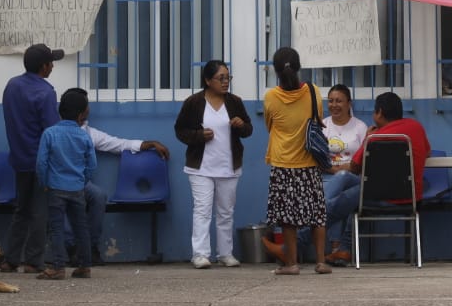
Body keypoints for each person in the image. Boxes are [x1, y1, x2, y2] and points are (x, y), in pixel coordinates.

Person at [327, 90, 433, 260]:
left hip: (378, 197)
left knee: (337, 205)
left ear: (380, 113)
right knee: (352, 194)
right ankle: (344, 249)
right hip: (411, 198)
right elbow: (427, 153)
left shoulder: (374, 138)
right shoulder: (416, 128)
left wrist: (367, 137)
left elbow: (354, 167)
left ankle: (296, 242)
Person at [173, 59, 252, 268]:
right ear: (208, 80)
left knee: (226, 211)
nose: (226, 82)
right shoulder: (194, 103)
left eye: (228, 77)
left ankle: (225, 253)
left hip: (228, 165)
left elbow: (248, 130)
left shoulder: (235, 102)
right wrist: (199, 135)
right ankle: (200, 254)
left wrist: (241, 125)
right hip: (201, 167)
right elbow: (180, 130)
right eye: (221, 78)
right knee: (202, 209)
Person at [261, 47, 331, 275]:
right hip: (309, 162)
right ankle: (321, 262)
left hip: (282, 164)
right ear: (299, 66)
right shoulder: (313, 91)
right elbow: (318, 119)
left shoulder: (271, 97)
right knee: (317, 215)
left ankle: (291, 264)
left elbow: (270, 125)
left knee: (287, 218)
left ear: (276, 71)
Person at [284, 84, 367, 266]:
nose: (334, 105)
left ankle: (305, 230)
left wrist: (341, 169)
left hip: (352, 180)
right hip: (325, 178)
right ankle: (337, 250)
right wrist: (337, 169)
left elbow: (363, 163)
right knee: (336, 194)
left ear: (349, 104)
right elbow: (316, 159)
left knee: (342, 178)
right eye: (331, 101)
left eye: (339, 101)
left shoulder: (360, 127)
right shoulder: (322, 126)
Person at [66, 127, 170, 267]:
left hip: (81, 182)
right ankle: (71, 248)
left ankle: (90, 247)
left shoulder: (87, 133)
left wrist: (150, 144)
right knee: (62, 198)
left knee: (99, 196)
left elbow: (117, 144)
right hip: (57, 182)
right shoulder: (52, 130)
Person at [0, 43, 63, 273]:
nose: (53, 66)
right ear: (43, 66)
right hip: (40, 160)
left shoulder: (12, 86)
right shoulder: (45, 92)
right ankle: (33, 260)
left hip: (18, 158)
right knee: (39, 212)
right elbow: (52, 131)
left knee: (21, 210)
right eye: (51, 63)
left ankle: (10, 259)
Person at [35, 87, 97, 279]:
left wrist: (44, 182)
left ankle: (58, 267)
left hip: (55, 188)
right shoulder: (84, 135)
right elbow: (92, 166)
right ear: (81, 114)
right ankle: (85, 266)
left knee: (56, 227)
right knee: (81, 227)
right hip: (77, 188)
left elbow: (41, 163)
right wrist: (82, 180)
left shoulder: (50, 133)